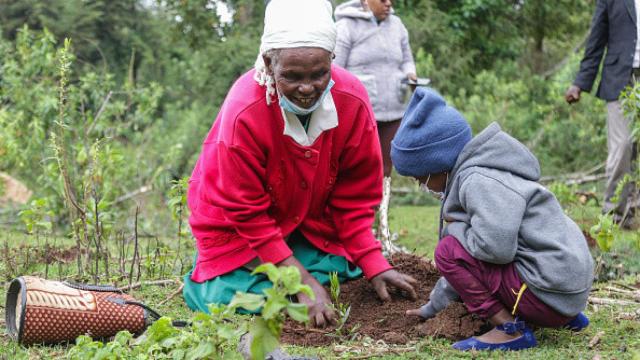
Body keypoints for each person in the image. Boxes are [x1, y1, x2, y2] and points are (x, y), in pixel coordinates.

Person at [182, 0, 417, 328]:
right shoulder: (245, 110)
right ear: (268, 62)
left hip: (307, 225)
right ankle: (290, 271)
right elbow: (245, 213)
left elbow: (355, 197)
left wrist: (373, 262)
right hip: (241, 231)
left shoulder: (351, 100)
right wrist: (301, 282)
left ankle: (299, 268)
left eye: (319, 74)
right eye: (291, 76)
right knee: (229, 295)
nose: (307, 88)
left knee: (340, 273)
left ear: (332, 60)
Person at [393, 88, 594, 351]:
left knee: (447, 250)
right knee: (456, 245)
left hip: (549, 294)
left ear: (437, 162)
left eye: (419, 176)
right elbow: (471, 260)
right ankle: (563, 317)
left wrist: (455, 231)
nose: (421, 184)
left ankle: (509, 330)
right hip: (565, 293)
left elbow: (494, 249)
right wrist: (434, 307)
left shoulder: (478, 181)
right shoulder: (488, 170)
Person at [334, 0, 417, 249]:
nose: (388, 3)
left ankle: (383, 233)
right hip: (359, 115)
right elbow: (334, 69)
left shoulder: (397, 26)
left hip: (393, 111)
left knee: (385, 173)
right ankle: (355, 232)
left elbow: (407, 60)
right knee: (358, 172)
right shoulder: (345, 26)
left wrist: (411, 74)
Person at [565, 0, 640, 228]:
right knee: (623, 145)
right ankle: (614, 214)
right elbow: (596, 41)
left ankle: (634, 208)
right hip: (621, 79)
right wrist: (580, 83)